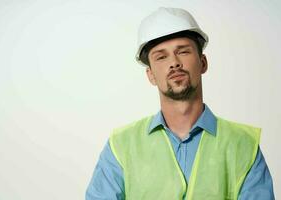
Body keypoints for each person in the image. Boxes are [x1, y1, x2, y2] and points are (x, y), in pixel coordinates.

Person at [86, 7, 274, 199]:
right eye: (161, 56)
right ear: (150, 75)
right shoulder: (121, 146)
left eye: (183, 52)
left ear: (203, 62)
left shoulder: (243, 145)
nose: (174, 63)